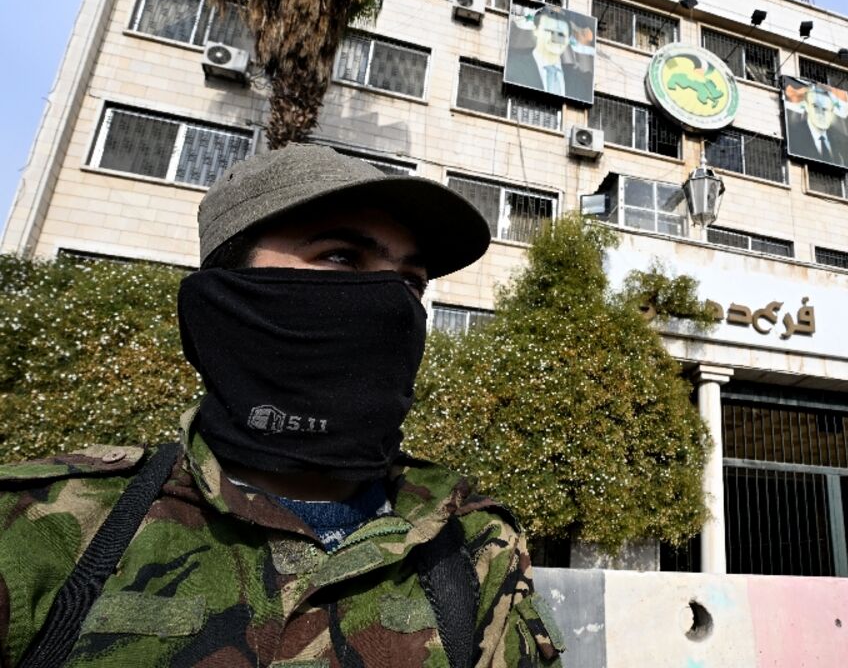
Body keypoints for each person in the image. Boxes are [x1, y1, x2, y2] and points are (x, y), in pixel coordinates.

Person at [0, 145, 564, 667]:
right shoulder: (46, 523)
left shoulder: (471, 544)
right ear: (227, 296)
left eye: (412, 282)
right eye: (340, 257)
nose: (393, 304)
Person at [504, 6, 593, 103]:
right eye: (549, 31)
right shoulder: (512, 66)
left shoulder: (580, 82)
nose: (556, 39)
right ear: (536, 31)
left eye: (561, 34)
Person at [785, 82, 848, 169]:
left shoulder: (843, 141)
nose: (821, 114)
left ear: (832, 111)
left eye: (825, 109)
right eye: (815, 107)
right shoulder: (792, 135)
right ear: (806, 106)